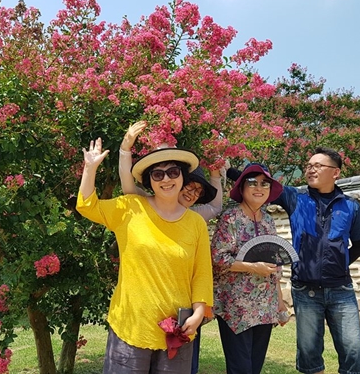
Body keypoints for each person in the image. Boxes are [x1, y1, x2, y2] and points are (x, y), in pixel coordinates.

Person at [77, 137, 213, 374]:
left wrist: (200, 312)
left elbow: (201, 273)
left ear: (183, 176)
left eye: (172, 172)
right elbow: (88, 205)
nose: (166, 179)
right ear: (150, 181)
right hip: (132, 327)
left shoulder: (196, 223)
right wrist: (90, 169)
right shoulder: (130, 208)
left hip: (177, 331)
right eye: (157, 175)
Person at [118, 121, 223, 374]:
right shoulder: (148, 204)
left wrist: (217, 175)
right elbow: (128, 187)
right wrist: (125, 150)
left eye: (198, 191)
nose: (192, 193)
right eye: (190, 186)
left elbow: (217, 207)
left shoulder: (196, 218)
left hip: (182, 311)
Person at [272, 147, 360, 374]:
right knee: (309, 354)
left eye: (318, 166)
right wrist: (228, 172)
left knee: (353, 352)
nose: (310, 170)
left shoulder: (350, 206)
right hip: (306, 291)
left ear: (335, 173)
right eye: (308, 166)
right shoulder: (295, 198)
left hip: (341, 290)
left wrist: (338, 264)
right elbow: (263, 184)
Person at [211, 162, 288, 374]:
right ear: (242, 187)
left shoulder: (269, 221)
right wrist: (253, 267)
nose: (258, 187)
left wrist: (280, 303)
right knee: (240, 368)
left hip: (265, 306)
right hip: (236, 307)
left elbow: (273, 266)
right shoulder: (230, 218)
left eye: (265, 183)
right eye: (252, 182)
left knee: (254, 367)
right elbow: (218, 258)